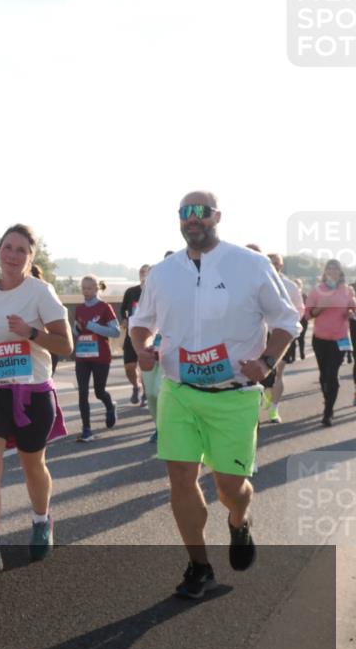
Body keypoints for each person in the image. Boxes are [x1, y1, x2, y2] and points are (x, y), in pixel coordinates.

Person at [130, 191, 300, 599]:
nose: (193, 220)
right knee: (181, 478)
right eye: (185, 213)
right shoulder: (163, 272)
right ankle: (199, 565)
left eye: (200, 213)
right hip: (180, 391)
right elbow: (141, 322)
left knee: (230, 487)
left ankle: (239, 522)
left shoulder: (252, 265)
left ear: (216, 216)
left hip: (234, 395)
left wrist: (267, 362)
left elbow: (286, 321)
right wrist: (141, 348)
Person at [0, 224, 73, 576]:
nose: (12, 255)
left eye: (21, 250)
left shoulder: (41, 292)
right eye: (7, 247)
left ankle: (42, 520)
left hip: (32, 393)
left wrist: (31, 333)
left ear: (31, 256)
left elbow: (65, 345)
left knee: (32, 465)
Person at [304, 259, 356, 426]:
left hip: (340, 338)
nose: (332, 271)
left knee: (331, 374)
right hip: (320, 338)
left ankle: (328, 411)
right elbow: (307, 315)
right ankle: (327, 401)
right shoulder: (317, 290)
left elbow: (353, 309)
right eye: (329, 268)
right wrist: (320, 308)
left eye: (336, 268)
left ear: (341, 272)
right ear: (325, 271)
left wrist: (350, 312)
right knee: (323, 375)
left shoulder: (347, 290)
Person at [73, 275, 120, 442]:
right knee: (83, 392)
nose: (86, 291)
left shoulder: (105, 307)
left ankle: (110, 405)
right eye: (83, 288)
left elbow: (116, 331)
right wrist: (77, 330)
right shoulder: (79, 308)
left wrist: (94, 326)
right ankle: (86, 429)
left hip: (101, 356)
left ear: (97, 289)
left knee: (99, 391)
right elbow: (76, 331)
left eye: (89, 288)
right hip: (83, 355)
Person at [262, 253, 305, 423]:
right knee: (262, 373)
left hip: (280, 336)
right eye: (270, 263)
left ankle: (274, 409)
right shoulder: (258, 282)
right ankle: (265, 392)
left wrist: (289, 329)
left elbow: (299, 309)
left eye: (276, 263)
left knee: (278, 373)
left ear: (281, 266)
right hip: (260, 335)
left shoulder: (290, 286)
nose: (273, 266)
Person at [120, 265, 151, 406]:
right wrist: (124, 320)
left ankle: (146, 391)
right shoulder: (131, 292)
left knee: (145, 365)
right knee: (129, 367)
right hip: (131, 334)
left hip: (148, 335)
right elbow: (123, 310)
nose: (144, 276)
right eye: (142, 273)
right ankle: (136, 385)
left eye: (147, 273)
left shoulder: (154, 292)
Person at [296, 278, 309, 360]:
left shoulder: (304, 296)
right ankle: (292, 355)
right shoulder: (290, 294)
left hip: (303, 319)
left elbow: (308, 307)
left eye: (298, 284)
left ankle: (302, 353)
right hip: (294, 319)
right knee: (293, 338)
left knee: (301, 338)